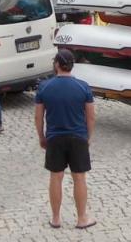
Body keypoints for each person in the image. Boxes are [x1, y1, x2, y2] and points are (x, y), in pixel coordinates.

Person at [35, 48, 96, 230]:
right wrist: (88, 137)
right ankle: (82, 218)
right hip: (78, 136)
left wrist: (41, 137)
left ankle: (55, 218)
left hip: (54, 137)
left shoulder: (44, 87)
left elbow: (38, 117)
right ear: (71, 66)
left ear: (56, 65)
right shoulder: (83, 87)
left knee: (56, 177)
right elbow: (91, 116)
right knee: (79, 178)